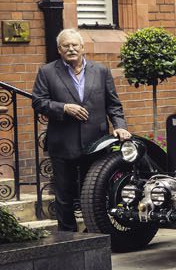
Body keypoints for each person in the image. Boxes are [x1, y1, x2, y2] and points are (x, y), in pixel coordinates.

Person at [31, 28, 131, 232]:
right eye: (66, 46)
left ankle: (95, 234)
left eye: (74, 45)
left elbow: (113, 105)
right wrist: (63, 108)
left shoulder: (101, 71)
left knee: (95, 192)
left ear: (83, 47)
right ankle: (67, 238)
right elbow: (38, 102)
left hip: (96, 143)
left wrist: (120, 127)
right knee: (64, 195)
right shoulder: (47, 72)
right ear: (59, 50)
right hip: (63, 142)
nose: (71, 49)